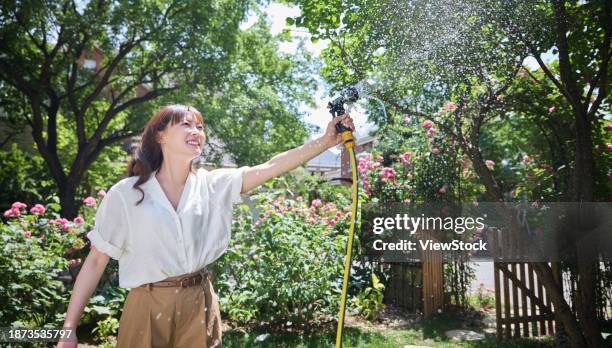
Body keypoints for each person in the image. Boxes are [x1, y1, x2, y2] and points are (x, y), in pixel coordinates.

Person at [57, 104, 355, 348]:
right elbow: (96, 260)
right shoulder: (126, 193)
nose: (196, 132)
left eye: (200, 127)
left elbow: (269, 167)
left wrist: (325, 141)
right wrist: (70, 328)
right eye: (186, 125)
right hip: (146, 306)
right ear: (160, 135)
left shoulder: (213, 185)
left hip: (198, 301)